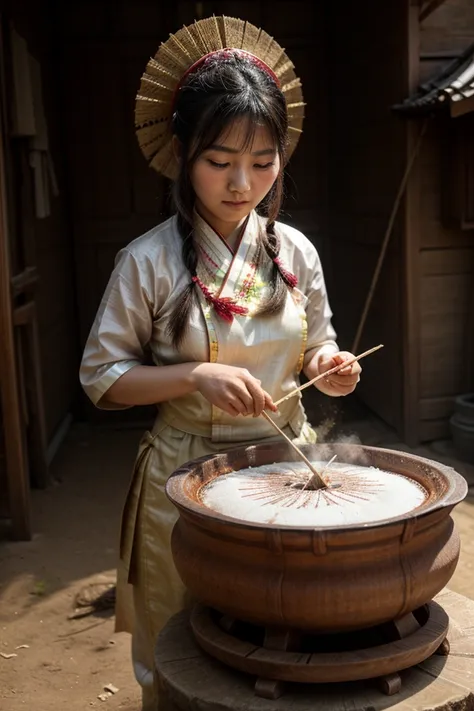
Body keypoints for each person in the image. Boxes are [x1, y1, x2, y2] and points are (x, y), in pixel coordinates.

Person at [79, 15, 361, 710]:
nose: (243, 183)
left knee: (281, 638)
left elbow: (318, 341)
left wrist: (331, 362)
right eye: (220, 160)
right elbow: (101, 378)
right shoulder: (146, 261)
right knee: (185, 648)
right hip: (186, 476)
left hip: (287, 471)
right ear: (183, 153)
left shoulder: (294, 253)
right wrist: (191, 376)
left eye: (263, 161)